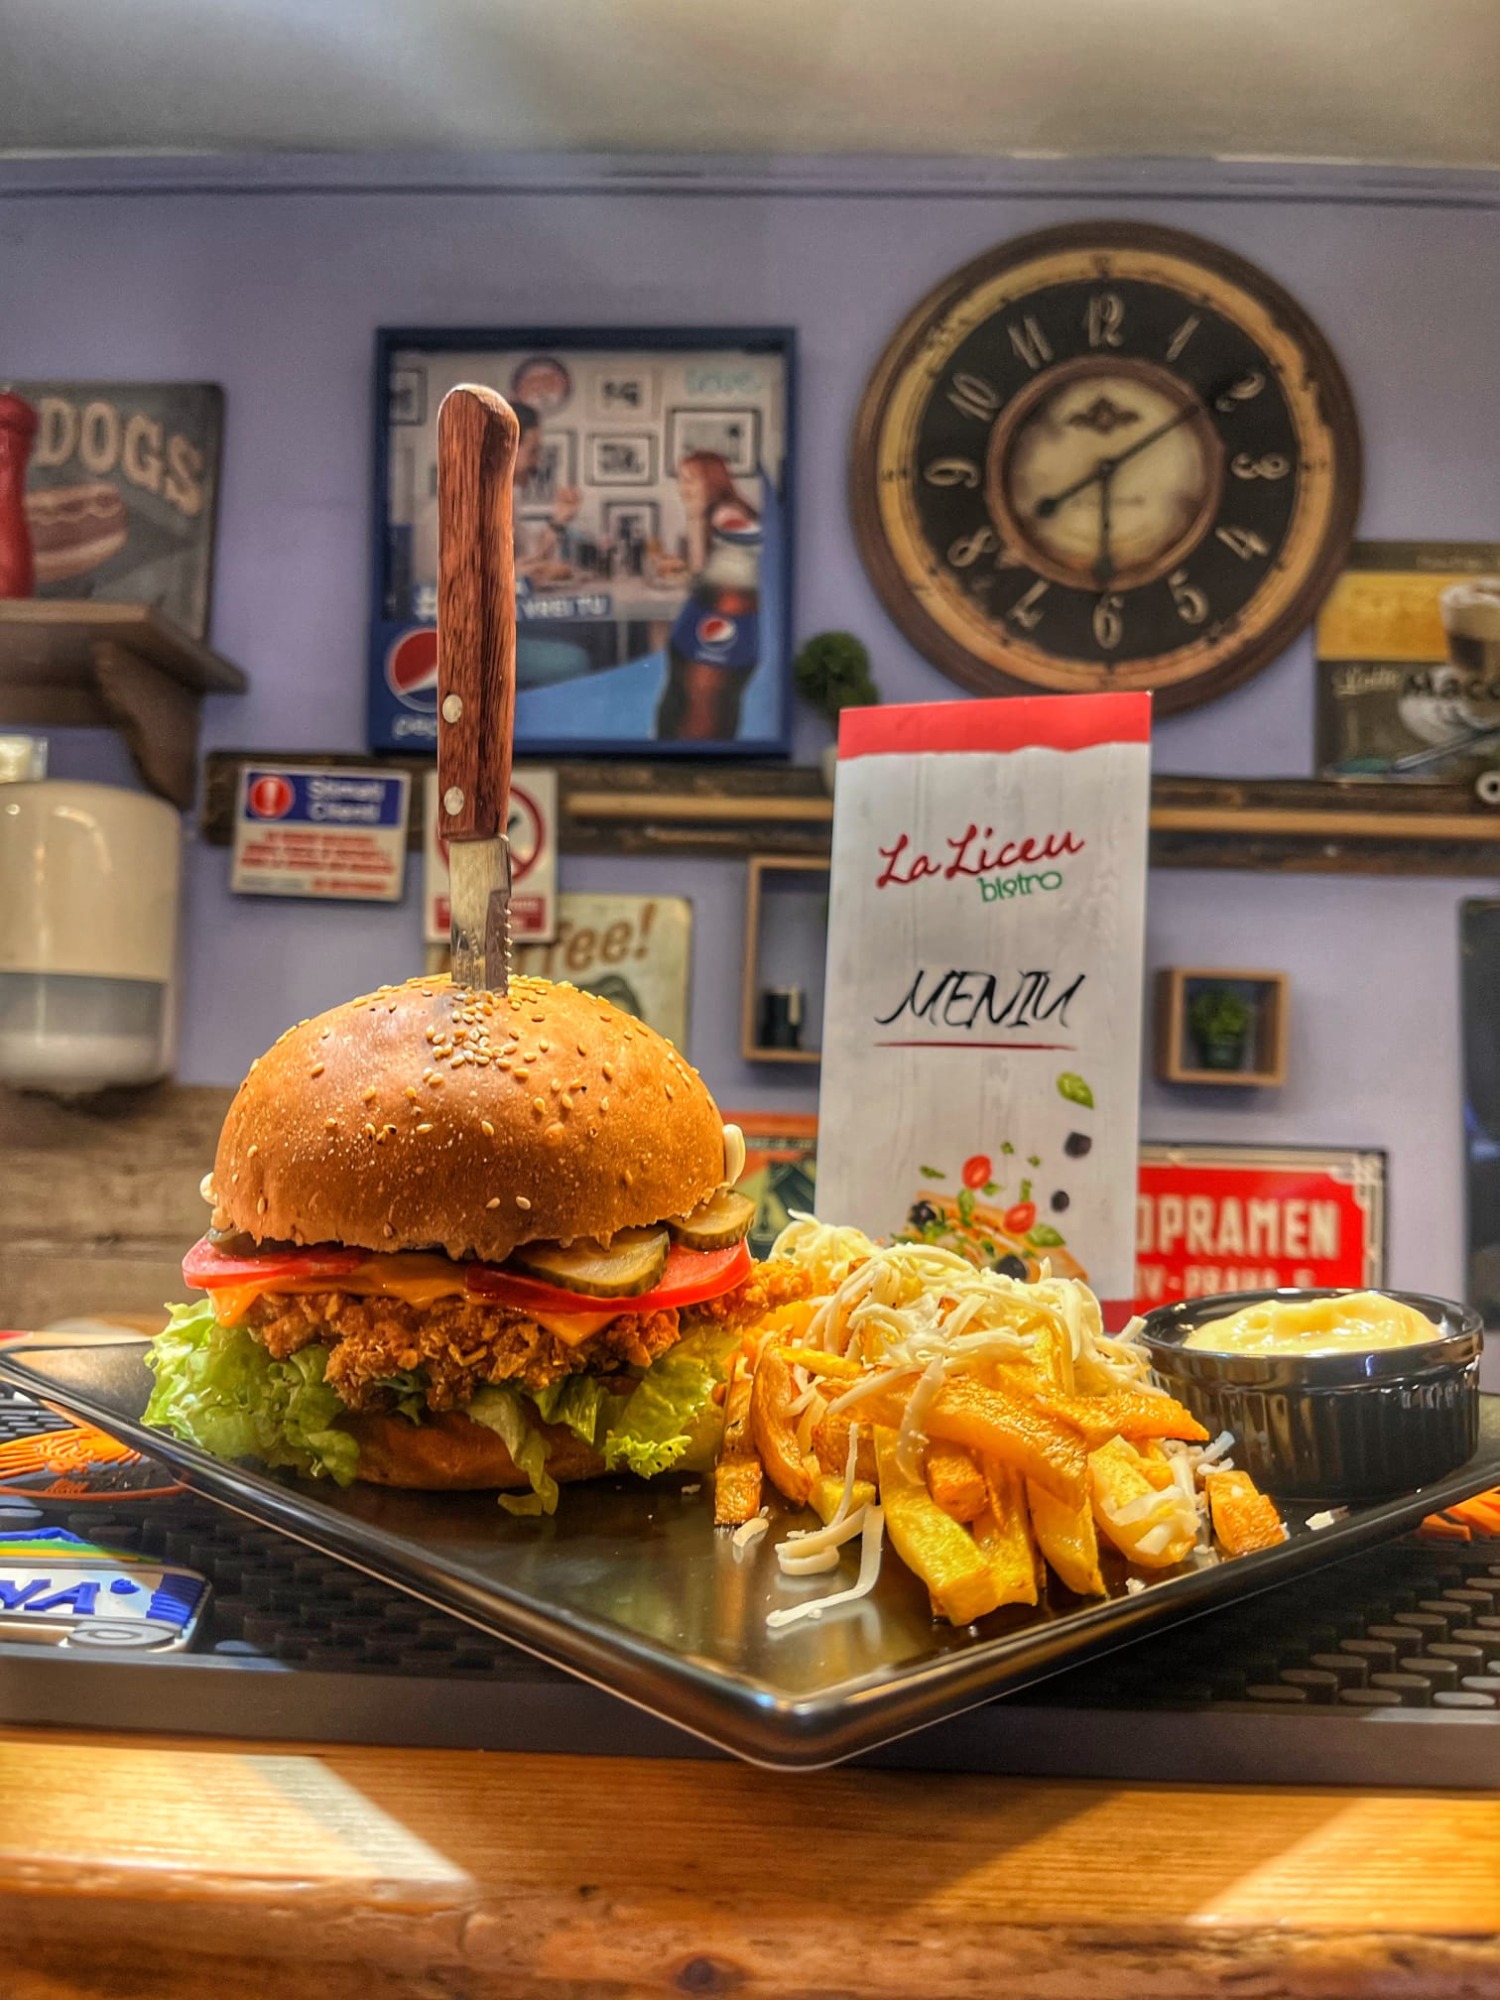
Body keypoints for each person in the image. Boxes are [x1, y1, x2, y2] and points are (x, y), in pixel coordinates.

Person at [655, 452, 762, 741]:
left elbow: (734, 575)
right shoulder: (714, 512)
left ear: (711, 480)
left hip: (725, 621)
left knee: (700, 712)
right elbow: (702, 570)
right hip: (714, 617)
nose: (683, 487)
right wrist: (694, 516)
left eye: (691, 479)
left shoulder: (728, 515)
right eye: (681, 480)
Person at [511, 400, 590, 690]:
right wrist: (507, 576)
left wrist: (559, 520)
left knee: (585, 635)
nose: (537, 463)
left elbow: (530, 558)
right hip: (470, 643)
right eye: (533, 452)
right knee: (575, 660)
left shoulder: (504, 500)